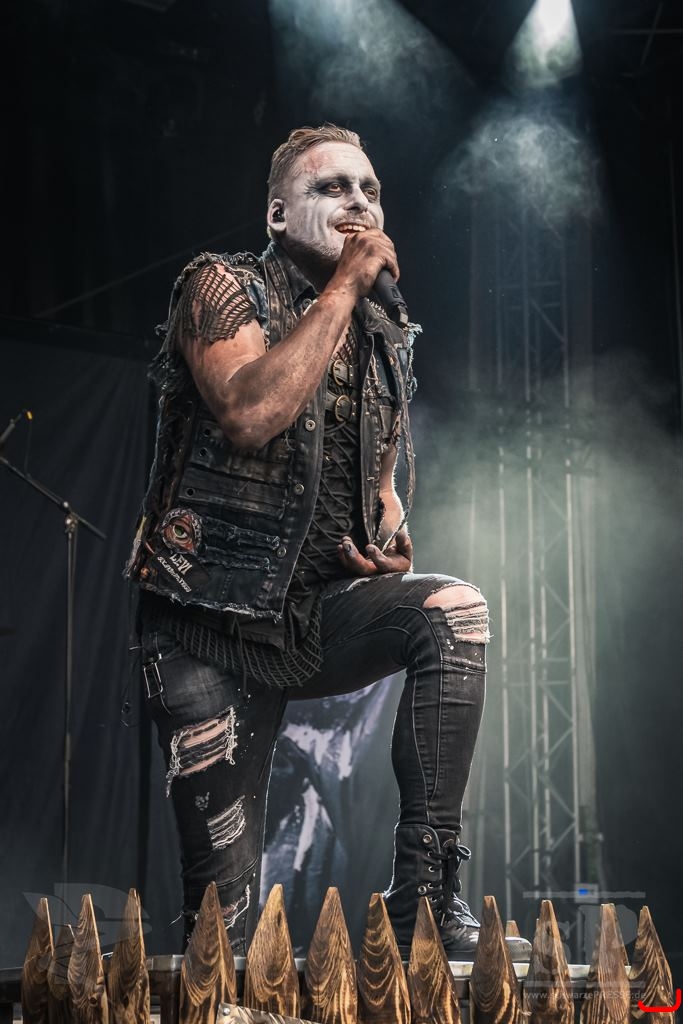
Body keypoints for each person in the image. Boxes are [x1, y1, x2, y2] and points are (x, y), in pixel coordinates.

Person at [126, 123, 530, 961]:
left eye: (369, 190)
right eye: (330, 188)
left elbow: (380, 491)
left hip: (310, 619)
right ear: (278, 214)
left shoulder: (382, 338)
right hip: (206, 628)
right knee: (223, 934)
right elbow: (249, 414)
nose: (356, 204)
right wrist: (344, 286)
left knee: (452, 611)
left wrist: (390, 541)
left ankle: (423, 895)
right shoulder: (220, 287)